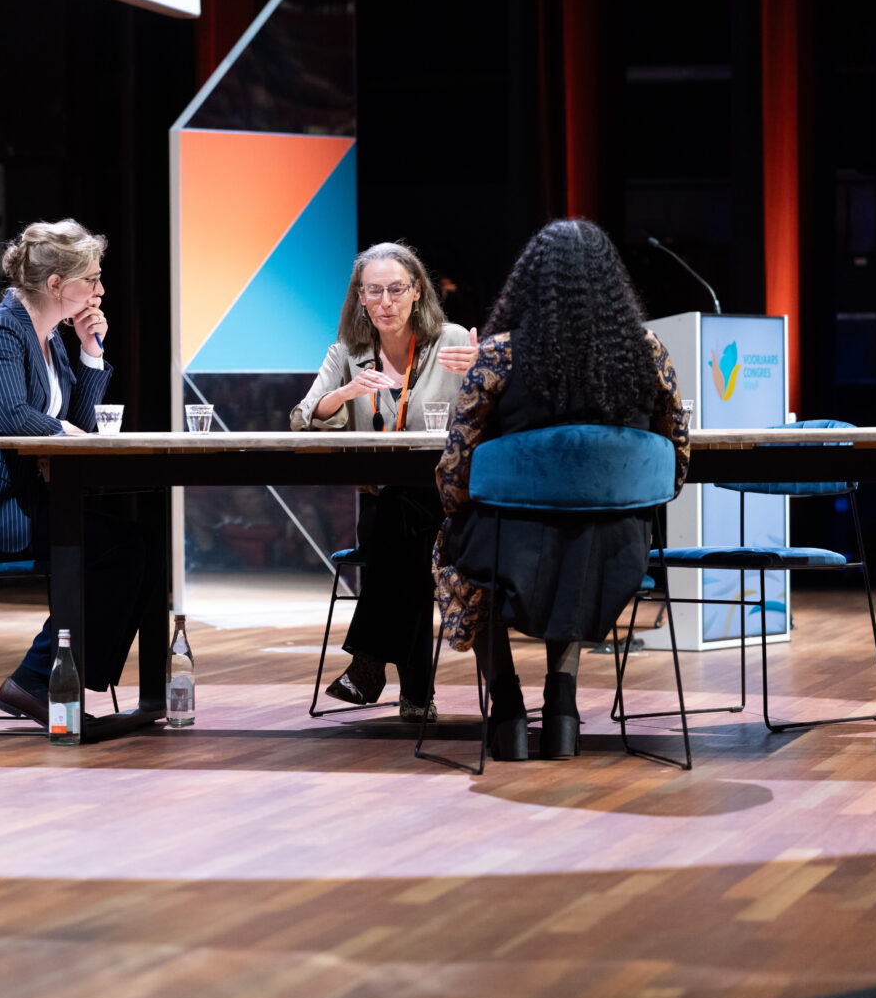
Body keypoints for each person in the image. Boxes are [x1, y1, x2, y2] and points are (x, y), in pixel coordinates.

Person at [432, 218, 689, 761]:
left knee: (459, 545)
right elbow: (675, 458)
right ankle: (562, 709)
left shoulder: (499, 355)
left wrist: (459, 513)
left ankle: (507, 710)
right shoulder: (648, 352)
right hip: (616, 550)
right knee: (577, 548)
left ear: (530, 282)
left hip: (510, 547)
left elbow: (456, 466)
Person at [0, 218, 148, 725]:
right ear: (56, 284)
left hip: (29, 503)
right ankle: (36, 679)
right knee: (116, 549)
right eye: (91, 279)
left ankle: (58, 680)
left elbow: (80, 423)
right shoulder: (0, 330)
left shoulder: (50, 339)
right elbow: (15, 416)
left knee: (139, 543)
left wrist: (90, 353)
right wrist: (68, 432)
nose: (100, 290)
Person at [290, 241, 479, 719]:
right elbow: (302, 416)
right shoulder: (347, 352)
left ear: (417, 291)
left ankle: (370, 663)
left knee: (399, 524)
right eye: (373, 291)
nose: (385, 302)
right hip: (385, 508)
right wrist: (346, 392)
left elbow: (491, 416)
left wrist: (482, 373)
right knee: (401, 528)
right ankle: (412, 696)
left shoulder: (452, 340)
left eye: (396, 289)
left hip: (451, 503)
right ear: (360, 297)